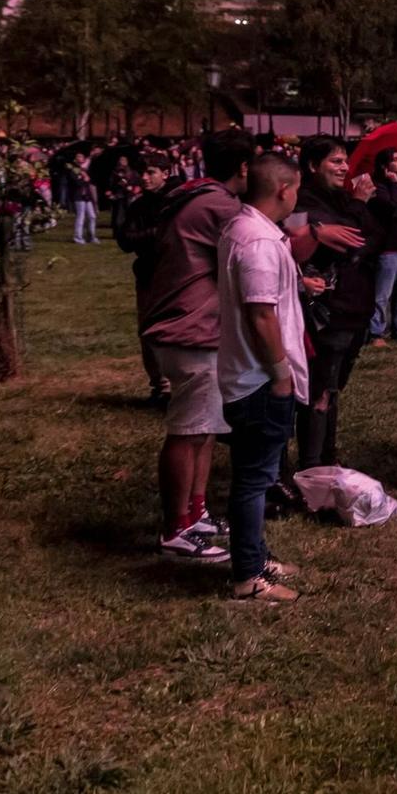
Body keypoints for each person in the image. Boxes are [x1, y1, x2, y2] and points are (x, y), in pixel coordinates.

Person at [140, 129, 255, 562]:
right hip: (192, 330)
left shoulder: (197, 196)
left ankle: (195, 511)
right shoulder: (219, 206)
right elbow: (257, 245)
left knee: (204, 428)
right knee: (187, 431)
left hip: (192, 326)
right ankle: (176, 528)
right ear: (243, 167)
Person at [214, 152, 310, 602]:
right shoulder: (258, 242)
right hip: (258, 379)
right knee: (253, 479)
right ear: (283, 189)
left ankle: (254, 556)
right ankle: (248, 577)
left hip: (247, 375)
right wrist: (280, 373)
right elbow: (261, 314)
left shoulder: (245, 229)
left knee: (257, 475)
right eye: (297, 188)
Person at [291, 136, 375, 469]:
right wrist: (356, 206)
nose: (344, 168)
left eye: (345, 161)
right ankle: (312, 465)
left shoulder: (342, 199)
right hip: (326, 313)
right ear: (313, 165)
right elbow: (350, 241)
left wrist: (358, 205)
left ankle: (327, 457)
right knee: (320, 390)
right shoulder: (302, 203)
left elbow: (370, 237)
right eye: (335, 161)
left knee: (332, 388)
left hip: (353, 310)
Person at [115, 155, 174, 401]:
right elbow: (125, 239)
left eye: (151, 172)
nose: (145, 178)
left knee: (174, 329)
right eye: (143, 173)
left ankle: (177, 383)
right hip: (149, 272)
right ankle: (161, 385)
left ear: (165, 173)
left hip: (174, 273)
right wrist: (154, 233)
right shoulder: (138, 206)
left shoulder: (176, 202)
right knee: (149, 330)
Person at [366, 148, 397, 346]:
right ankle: (375, 333)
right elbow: (395, 209)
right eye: (395, 159)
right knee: (382, 295)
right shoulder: (377, 189)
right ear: (384, 166)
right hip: (388, 248)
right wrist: (395, 184)